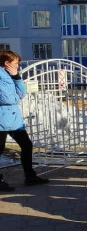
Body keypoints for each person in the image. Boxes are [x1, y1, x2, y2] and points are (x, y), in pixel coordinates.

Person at [0, 50, 49, 191]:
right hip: (2, 118)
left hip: (13, 119)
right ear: (7, 63)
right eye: (16, 63)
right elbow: (7, 99)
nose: (18, 65)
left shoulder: (11, 75)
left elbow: (22, 92)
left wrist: (16, 76)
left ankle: (30, 176)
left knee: (27, 145)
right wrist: (16, 98)